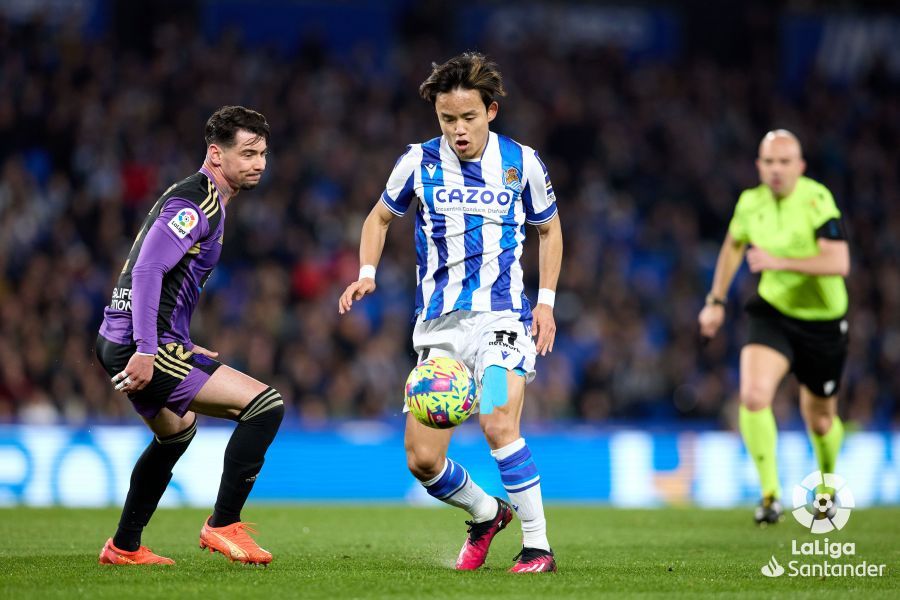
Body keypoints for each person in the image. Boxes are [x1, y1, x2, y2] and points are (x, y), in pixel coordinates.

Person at [339, 52, 563, 573]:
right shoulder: (418, 161)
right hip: (439, 332)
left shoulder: (521, 162)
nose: (458, 130)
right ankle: (487, 515)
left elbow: (549, 229)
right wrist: (367, 270)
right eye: (447, 119)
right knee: (422, 459)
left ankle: (538, 547)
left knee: (496, 419)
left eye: (468, 118)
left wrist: (546, 303)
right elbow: (378, 217)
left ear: (492, 111)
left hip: (501, 321)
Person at [95, 106, 283, 565]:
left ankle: (124, 546)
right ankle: (223, 525)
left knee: (175, 434)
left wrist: (176, 335)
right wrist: (146, 347)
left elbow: (164, 277)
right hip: (141, 344)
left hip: (132, 337)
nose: (259, 162)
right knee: (264, 406)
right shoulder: (196, 202)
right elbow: (147, 269)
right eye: (248, 152)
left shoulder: (202, 199)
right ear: (216, 154)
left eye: (263, 152)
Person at [698, 129, 850, 525]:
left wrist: (779, 261)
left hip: (823, 322)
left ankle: (827, 486)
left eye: (785, 162)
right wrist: (715, 300)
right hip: (774, 313)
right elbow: (733, 245)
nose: (777, 170)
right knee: (752, 395)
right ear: (759, 166)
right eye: (769, 162)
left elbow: (838, 263)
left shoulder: (817, 199)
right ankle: (770, 496)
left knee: (819, 419)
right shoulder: (751, 203)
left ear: (800, 166)